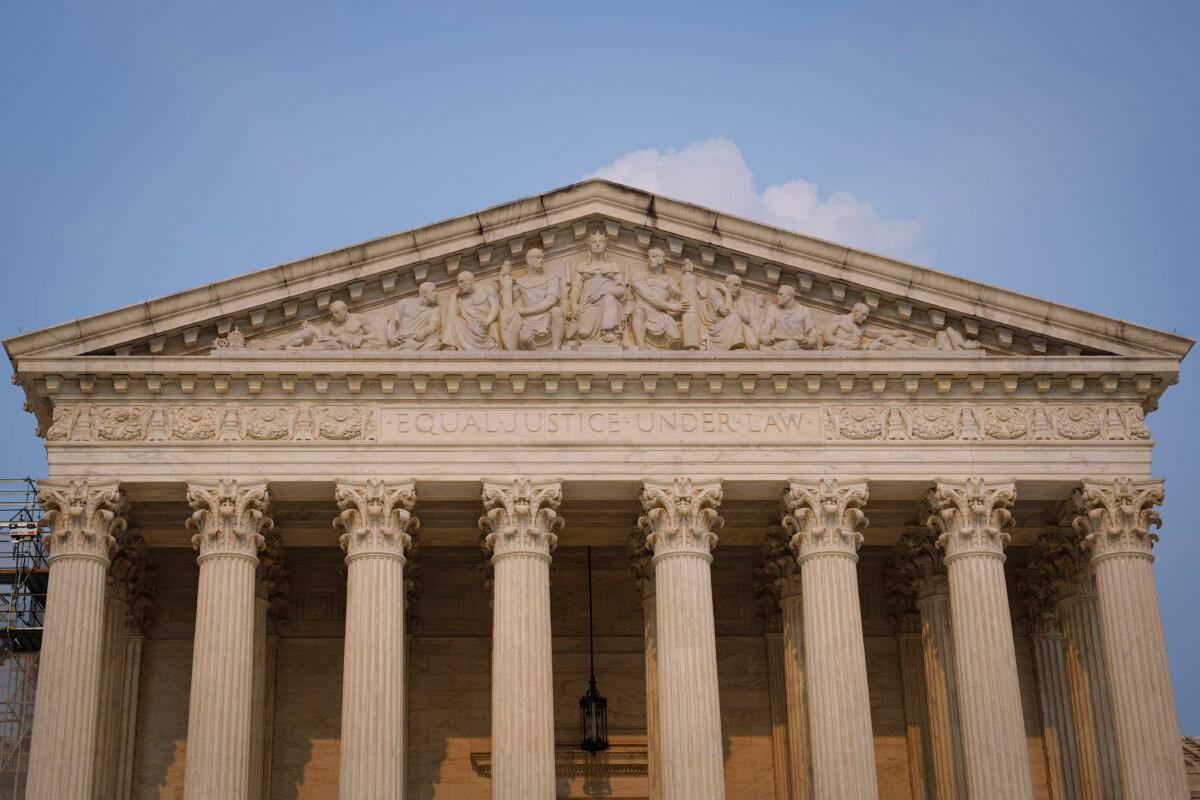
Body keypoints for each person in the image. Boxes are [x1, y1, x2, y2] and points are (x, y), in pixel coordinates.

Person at [499, 249, 564, 350]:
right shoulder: (521, 282)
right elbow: (508, 304)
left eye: (542, 257)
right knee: (525, 338)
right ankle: (538, 362)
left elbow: (551, 301)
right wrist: (505, 280)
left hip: (547, 316)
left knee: (557, 311)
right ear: (529, 260)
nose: (541, 260)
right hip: (528, 320)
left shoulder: (552, 278)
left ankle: (556, 351)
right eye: (537, 257)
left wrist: (525, 311)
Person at [568, 232, 625, 345]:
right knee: (584, 333)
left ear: (605, 245)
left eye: (601, 242)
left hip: (608, 304)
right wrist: (574, 305)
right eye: (594, 242)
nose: (598, 244)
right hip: (588, 303)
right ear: (590, 246)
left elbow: (621, 289)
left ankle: (609, 330)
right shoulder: (583, 266)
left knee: (609, 297)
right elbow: (576, 287)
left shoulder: (613, 266)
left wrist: (602, 292)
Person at [629, 247, 685, 349]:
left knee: (676, 339)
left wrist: (687, 274)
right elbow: (650, 297)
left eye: (654, 257)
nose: (650, 259)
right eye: (649, 257)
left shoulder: (668, 280)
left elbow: (682, 296)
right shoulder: (639, 276)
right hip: (643, 314)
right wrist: (672, 307)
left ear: (661, 260)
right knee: (638, 310)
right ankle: (641, 348)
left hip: (661, 316)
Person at [281, 300, 380, 349]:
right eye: (332, 313)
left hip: (348, 348)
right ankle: (279, 348)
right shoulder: (330, 324)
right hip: (334, 344)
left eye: (337, 312)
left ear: (345, 310)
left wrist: (361, 338)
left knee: (332, 345)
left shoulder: (358, 318)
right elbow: (321, 338)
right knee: (307, 332)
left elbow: (376, 335)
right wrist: (312, 328)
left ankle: (302, 351)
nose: (334, 315)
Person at [442, 271, 500, 350]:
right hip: (467, 326)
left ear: (471, 281)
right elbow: (451, 313)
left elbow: (495, 307)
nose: (459, 285)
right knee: (451, 317)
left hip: (483, 326)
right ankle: (450, 347)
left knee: (478, 327)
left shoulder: (486, 289)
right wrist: (454, 295)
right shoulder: (460, 298)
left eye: (462, 282)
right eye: (458, 283)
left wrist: (487, 321)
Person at [701, 274, 760, 350]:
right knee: (734, 317)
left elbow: (747, 318)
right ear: (727, 284)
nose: (738, 288)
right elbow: (725, 311)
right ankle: (736, 346)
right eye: (735, 285)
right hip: (716, 328)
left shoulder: (738, 297)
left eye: (739, 286)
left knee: (754, 343)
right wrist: (727, 293)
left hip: (733, 326)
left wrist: (736, 313)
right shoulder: (714, 293)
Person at [387, 282, 443, 350]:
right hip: (404, 339)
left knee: (435, 343)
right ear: (424, 292)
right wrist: (390, 336)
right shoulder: (405, 303)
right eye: (433, 291)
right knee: (409, 344)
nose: (436, 294)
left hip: (420, 341)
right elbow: (393, 322)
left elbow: (433, 326)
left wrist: (423, 332)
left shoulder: (433, 309)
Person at [758, 285, 816, 350]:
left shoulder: (804, 311)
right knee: (762, 348)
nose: (777, 297)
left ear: (791, 296)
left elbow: (812, 331)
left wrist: (811, 340)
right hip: (775, 345)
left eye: (780, 294)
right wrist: (763, 337)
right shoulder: (773, 309)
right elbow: (766, 326)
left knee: (790, 345)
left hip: (796, 345)